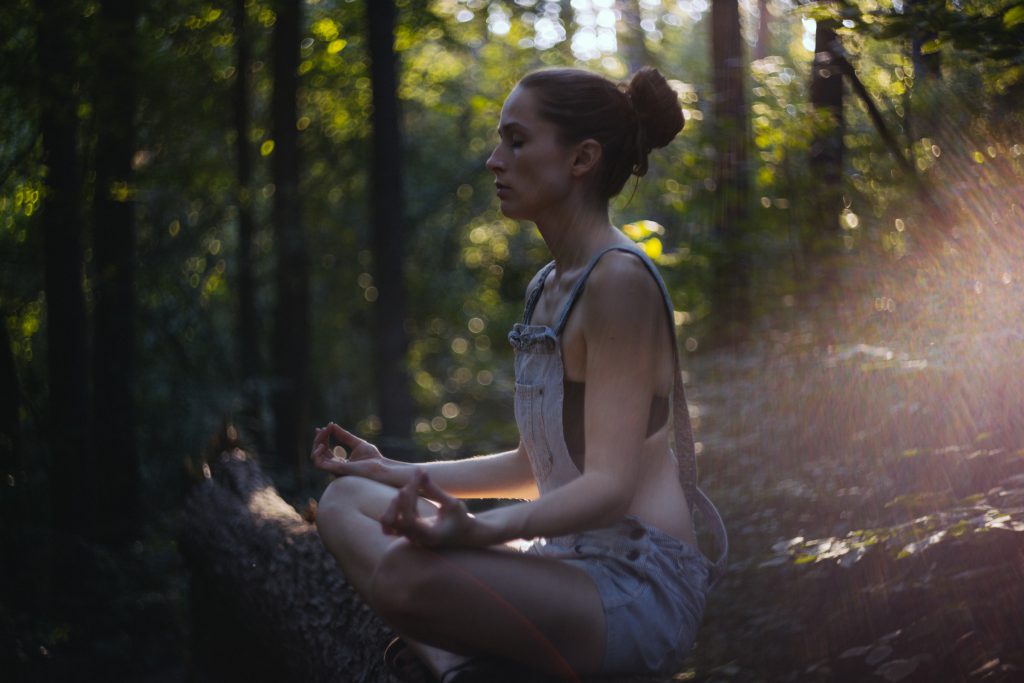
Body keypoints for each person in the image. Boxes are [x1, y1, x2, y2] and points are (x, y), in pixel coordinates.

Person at [312, 66, 727, 682]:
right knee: (345, 501)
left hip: (635, 586)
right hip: (563, 565)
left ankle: (462, 669)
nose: (493, 161)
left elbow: (608, 488)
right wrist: (394, 470)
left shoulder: (620, 281)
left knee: (403, 572)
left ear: (582, 158)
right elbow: (537, 468)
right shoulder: (546, 287)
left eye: (516, 140)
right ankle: (472, 670)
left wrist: (475, 535)